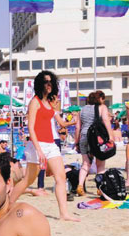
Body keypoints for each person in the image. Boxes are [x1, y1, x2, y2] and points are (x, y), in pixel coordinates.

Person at [10, 71, 79, 221]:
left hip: (51, 144)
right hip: (37, 144)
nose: (49, 85)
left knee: (60, 178)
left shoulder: (50, 102)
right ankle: (8, 204)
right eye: (46, 82)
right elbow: (31, 128)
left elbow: (60, 123)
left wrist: (74, 121)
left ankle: (63, 213)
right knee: (28, 180)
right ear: (40, 84)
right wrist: (39, 150)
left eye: (51, 82)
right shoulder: (35, 102)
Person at [75, 91, 114, 196]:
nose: (103, 101)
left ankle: (80, 185)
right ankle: (100, 189)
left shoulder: (82, 110)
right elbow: (106, 121)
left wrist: (76, 141)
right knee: (100, 165)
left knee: (85, 164)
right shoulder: (102, 107)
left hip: (84, 136)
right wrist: (110, 136)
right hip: (97, 138)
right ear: (100, 98)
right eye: (103, 99)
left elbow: (78, 126)